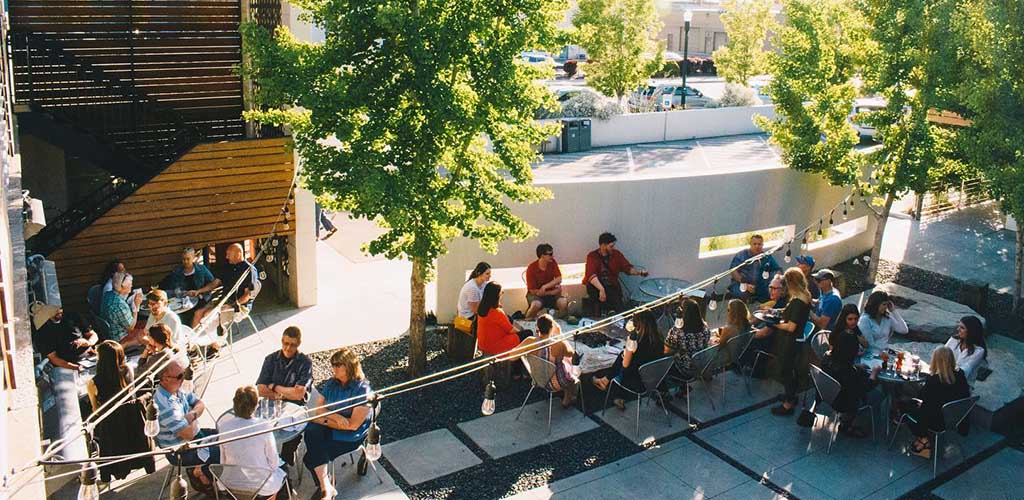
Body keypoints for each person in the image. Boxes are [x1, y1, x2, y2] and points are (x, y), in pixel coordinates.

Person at [303, 348, 373, 500]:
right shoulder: (331, 383)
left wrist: (324, 420)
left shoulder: (362, 390)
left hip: (350, 436)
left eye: (337, 365)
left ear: (349, 366)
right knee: (311, 430)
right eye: (332, 364)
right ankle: (326, 487)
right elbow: (318, 410)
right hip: (334, 427)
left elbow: (352, 426)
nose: (333, 367)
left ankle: (325, 486)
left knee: (310, 457)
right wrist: (334, 416)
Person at [86, 340, 155, 481]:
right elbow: (131, 393)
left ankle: (108, 473)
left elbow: (95, 409)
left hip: (111, 424)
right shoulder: (128, 370)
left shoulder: (93, 383)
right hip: (132, 417)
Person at [154, 359, 220, 494]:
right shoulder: (165, 405)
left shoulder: (177, 389)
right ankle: (203, 477)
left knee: (227, 436)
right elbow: (188, 434)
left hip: (194, 438)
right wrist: (194, 413)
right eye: (179, 376)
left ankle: (201, 469)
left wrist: (191, 415)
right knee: (223, 451)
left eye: (183, 374)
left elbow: (200, 403)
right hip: (180, 451)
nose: (183, 378)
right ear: (165, 379)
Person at [218, 385, 288, 499]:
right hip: (260, 485)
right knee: (283, 471)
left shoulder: (224, 427)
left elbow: (223, 460)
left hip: (231, 484)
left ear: (234, 403)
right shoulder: (264, 426)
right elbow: (274, 463)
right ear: (256, 405)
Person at [256, 326, 312, 465]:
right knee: (260, 432)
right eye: (285, 343)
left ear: (298, 344)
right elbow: (261, 389)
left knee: (291, 434)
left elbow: (299, 394)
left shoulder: (305, 363)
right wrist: (285, 394)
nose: (288, 348)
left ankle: (286, 460)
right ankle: (267, 459)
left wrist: (274, 387)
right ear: (281, 341)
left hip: (295, 407)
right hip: (271, 404)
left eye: (292, 345)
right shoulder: (270, 360)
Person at [904, 346, 970, 459]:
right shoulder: (961, 376)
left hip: (936, 421)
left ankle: (924, 439)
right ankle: (924, 439)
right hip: (956, 418)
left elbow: (923, 400)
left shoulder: (934, 381)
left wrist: (921, 403)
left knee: (905, 406)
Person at [590, 310, 664, 410]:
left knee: (622, 361)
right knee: (624, 359)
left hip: (637, 382)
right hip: (656, 378)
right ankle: (607, 383)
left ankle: (606, 382)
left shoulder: (636, 341)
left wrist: (627, 352)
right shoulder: (659, 338)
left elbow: (625, 365)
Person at [821, 321, 883, 438]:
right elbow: (864, 388)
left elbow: (843, 365)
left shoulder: (827, 358)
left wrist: (856, 366)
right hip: (842, 401)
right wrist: (874, 374)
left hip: (826, 393)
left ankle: (847, 419)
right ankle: (847, 423)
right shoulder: (849, 373)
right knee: (879, 394)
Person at [769, 268, 812, 416]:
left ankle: (788, 404)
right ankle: (791, 395)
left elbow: (791, 326)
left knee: (787, 371)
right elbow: (792, 314)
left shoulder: (798, 302)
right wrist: (777, 312)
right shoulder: (804, 296)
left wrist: (774, 324)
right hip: (796, 340)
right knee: (790, 370)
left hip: (791, 341)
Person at [190, 243, 259, 331]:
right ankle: (194, 343)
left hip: (240, 306)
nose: (226, 257)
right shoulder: (227, 267)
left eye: (228, 254)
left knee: (207, 315)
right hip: (223, 300)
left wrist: (232, 305)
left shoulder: (249, 270)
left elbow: (247, 296)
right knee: (197, 313)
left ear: (238, 254)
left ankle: (215, 343)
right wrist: (198, 291)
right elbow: (214, 284)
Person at [517, 315, 579, 407]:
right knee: (574, 373)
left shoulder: (529, 341)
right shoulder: (559, 344)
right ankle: (567, 399)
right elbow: (572, 354)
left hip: (537, 379)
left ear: (538, 328)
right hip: (556, 384)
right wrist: (560, 334)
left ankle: (566, 396)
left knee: (564, 363)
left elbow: (512, 356)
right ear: (551, 328)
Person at [584, 232, 647, 315]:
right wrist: (601, 289)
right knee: (597, 293)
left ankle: (615, 315)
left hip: (611, 286)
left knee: (616, 301)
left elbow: (627, 268)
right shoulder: (592, 256)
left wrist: (639, 272)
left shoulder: (616, 254)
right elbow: (591, 275)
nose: (612, 248)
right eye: (610, 246)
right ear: (603, 245)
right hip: (596, 286)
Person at [33, 304, 96, 371]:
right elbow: (54, 359)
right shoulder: (42, 334)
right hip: (70, 364)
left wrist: (88, 342)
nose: (60, 313)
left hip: (90, 355)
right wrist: (77, 367)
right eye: (56, 313)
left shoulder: (73, 316)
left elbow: (93, 335)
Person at [476, 282, 529, 356]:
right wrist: (522, 330)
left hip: (483, 345)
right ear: (497, 295)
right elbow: (511, 330)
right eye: (501, 293)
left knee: (510, 318)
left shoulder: (482, 308)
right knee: (527, 334)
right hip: (496, 347)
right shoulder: (497, 312)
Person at [664, 298, 711, 377]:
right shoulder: (705, 327)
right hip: (703, 365)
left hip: (686, 369)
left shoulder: (677, 331)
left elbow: (667, 351)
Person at [160, 247, 216, 313]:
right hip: (183, 300)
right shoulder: (177, 271)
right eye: (184, 259)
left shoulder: (202, 269)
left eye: (188, 259)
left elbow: (212, 283)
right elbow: (172, 287)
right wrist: (178, 291)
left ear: (193, 258)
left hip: (201, 298)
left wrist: (198, 291)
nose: (185, 261)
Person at [728, 235, 781, 303]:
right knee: (740, 293)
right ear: (750, 244)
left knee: (770, 292)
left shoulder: (766, 256)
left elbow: (777, 269)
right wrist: (745, 285)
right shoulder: (741, 255)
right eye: (754, 244)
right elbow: (733, 271)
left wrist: (776, 281)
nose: (757, 246)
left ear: (762, 245)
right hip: (742, 283)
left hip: (760, 285)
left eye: (759, 244)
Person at [858, 290, 908, 357]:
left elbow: (904, 330)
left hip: (885, 353)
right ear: (876, 304)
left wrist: (893, 311)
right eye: (883, 304)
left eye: (887, 305)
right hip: (870, 355)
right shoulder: (865, 320)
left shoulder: (887, 317)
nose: (885, 307)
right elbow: (869, 345)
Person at [100, 271, 145, 345]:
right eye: (130, 284)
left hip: (111, 332)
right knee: (149, 329)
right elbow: (131, 327)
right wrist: (136, 306)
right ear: (122, 286)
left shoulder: (108, 294)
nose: (131, 285)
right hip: (120, 338)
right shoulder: (119, 304)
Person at [525, 244, 568, 319]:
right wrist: (550, 292)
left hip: (551, 294)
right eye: (550, 254)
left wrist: (545, 287)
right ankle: (527, 320)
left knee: (563, 302)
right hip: (537, 296)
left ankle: (560, 322)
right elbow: (533, 291)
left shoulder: (552, 263)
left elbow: (559, 278)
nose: (552, 256)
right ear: (542, 256)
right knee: (536, 305)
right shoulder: (531, 268)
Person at [945, 316, 987, 384]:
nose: (958, 329)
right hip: (945, 376)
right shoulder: (954, 340)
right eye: (959, 326)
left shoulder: (979, 351)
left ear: (971, 331)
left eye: (962, 328)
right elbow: (941, 356)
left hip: (962, 383)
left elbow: (965, 370)